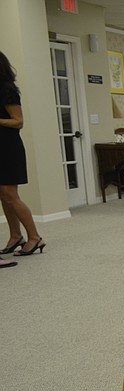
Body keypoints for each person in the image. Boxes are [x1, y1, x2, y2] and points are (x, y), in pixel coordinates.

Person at [0, 51, 45, 257]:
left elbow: (18, 121)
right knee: (3, 195)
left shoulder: (7, 90)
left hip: (8, 147)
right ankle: (16, 236)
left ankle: (35, 237)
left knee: (10, 194)